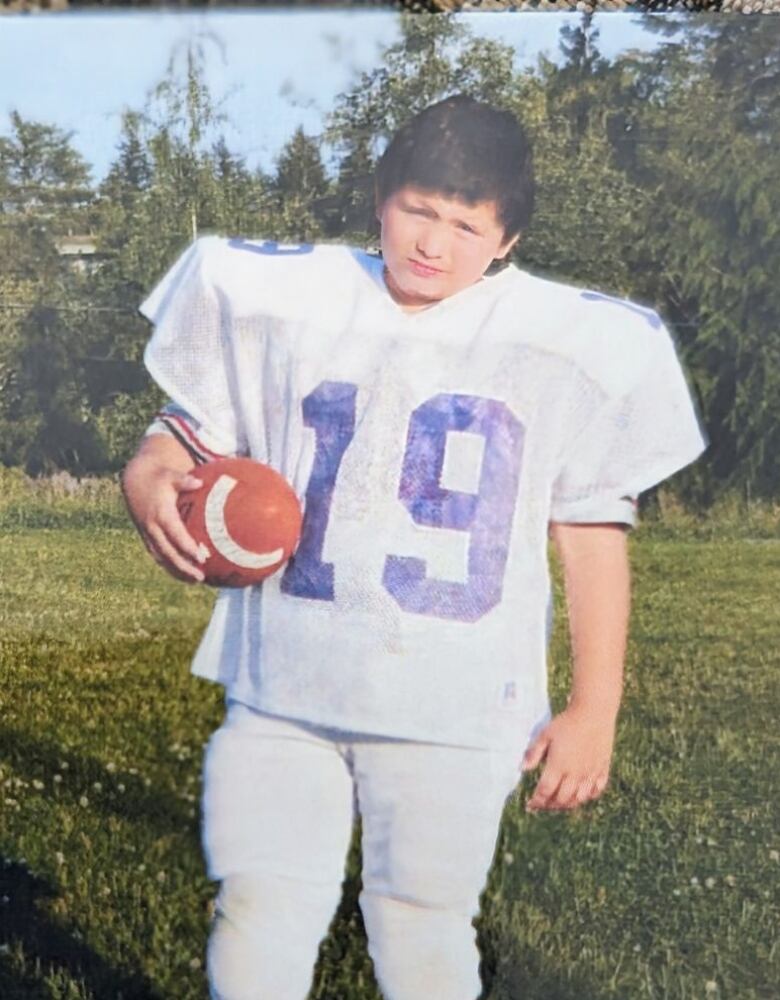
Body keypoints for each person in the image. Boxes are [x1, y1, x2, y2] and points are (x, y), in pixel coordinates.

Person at [121, 95, 706, 1000]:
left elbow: (591, 536)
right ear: (381, 200)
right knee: (260, 907)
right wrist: (148, 470)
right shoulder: (291, 300)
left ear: (507, 237)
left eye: (466, 225)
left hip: (456, 698)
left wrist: (594, 711)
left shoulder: (566, 342)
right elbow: (189, 429)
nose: (434, 243)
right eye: (418, 211)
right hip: (286, 679)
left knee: (423, 923)